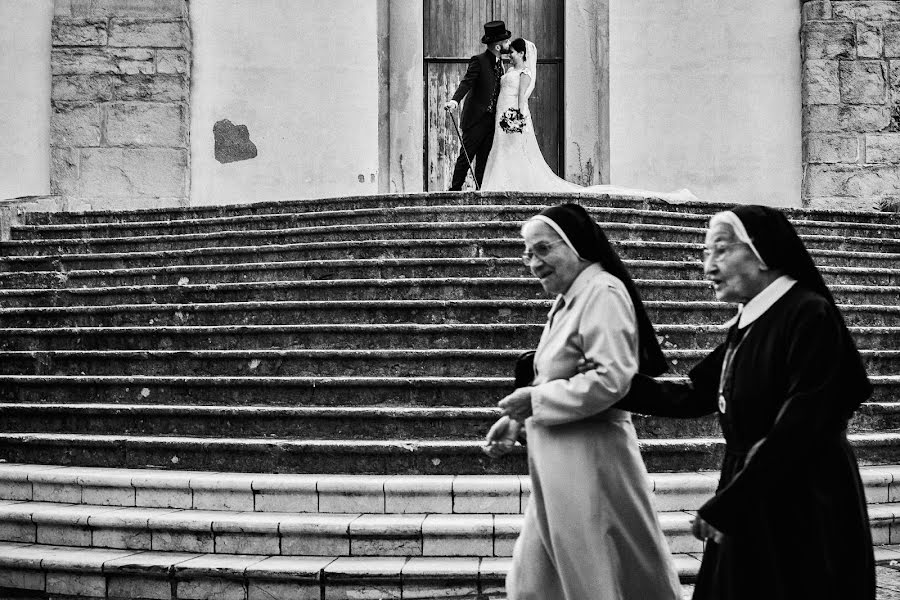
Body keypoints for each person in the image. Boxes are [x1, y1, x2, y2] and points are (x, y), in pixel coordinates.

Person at [612, 205, 876, 600]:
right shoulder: (750, 321)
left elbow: (803, 421)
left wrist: (734, 501)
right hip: (753, 489)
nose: (708, 266)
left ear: (762, 252)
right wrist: (610, 383)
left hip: (802, 497)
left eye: (720, 249)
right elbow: (694, 393)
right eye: (705, 253)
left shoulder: (808, 313)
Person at [484, 203, 682, 600]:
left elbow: (611, 379)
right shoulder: (571, 296)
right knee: (535, 585)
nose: (532, 262)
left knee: (593, 580)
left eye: (542, 249)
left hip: (589, 467)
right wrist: (518, 420)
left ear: (576, 246)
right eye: (527, 252)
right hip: (561, 469)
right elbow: (555, 377)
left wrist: (535, 402)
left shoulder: (602, 292)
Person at [479, 37, 696, 203]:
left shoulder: (524, 73)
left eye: (514, 52)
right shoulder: (509, 70)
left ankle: (515, 183)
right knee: (502, 149)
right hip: (501, 115)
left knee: (515, 150)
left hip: (512, 116)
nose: (511, 55)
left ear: (522, 53)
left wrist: (516, 117)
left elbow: (521, 98)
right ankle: (500, 183)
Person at [443, 20, 512, 191]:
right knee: (466, 155)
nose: (509, 44)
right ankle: (455, 189)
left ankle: (481, 190)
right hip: (476, 119)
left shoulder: (501, 64)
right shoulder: (479, 61)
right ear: (498, 46)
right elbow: (467, 82)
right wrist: (454, 100)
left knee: (484, 159)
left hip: (491, 121)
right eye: (506, 42)